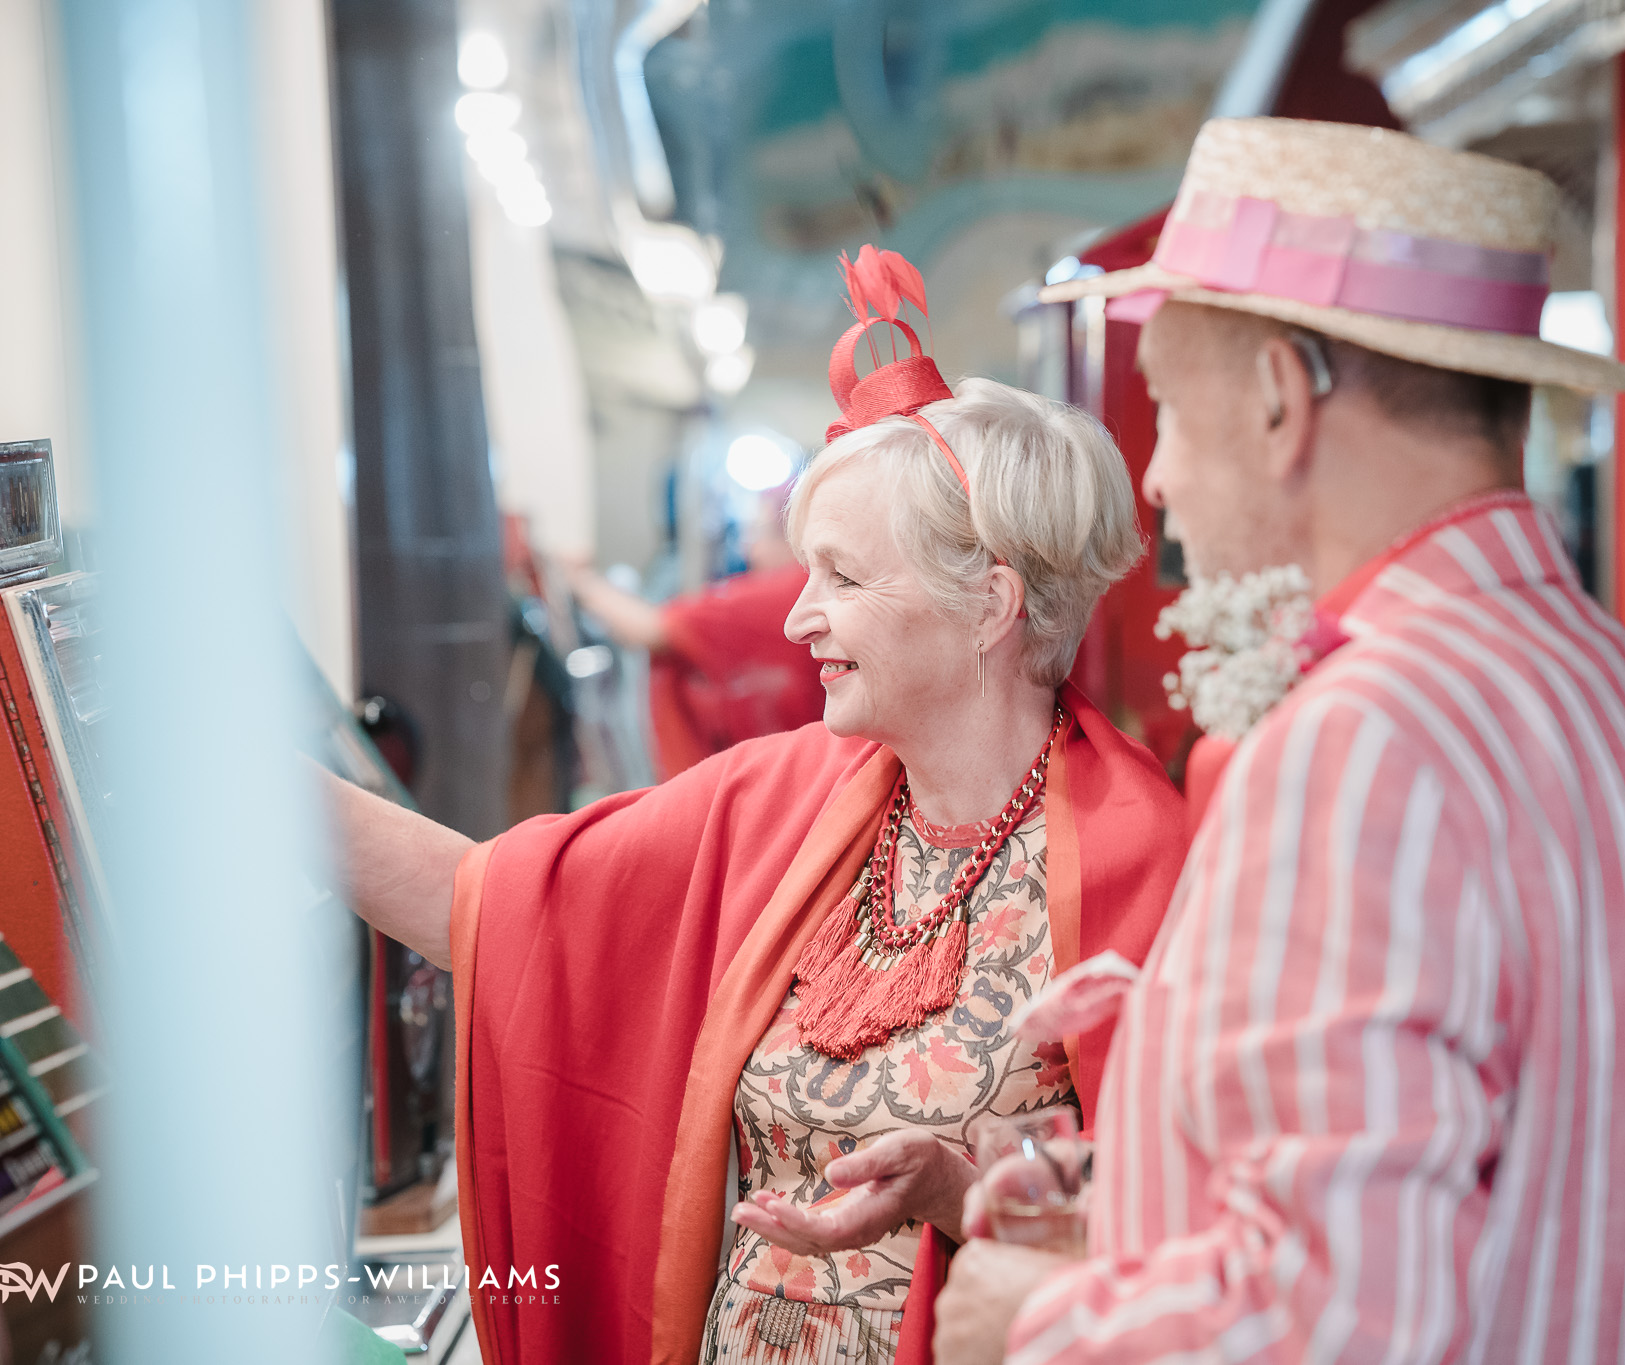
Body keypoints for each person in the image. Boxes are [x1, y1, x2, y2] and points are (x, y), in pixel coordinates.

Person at [936, 118, 1625, 1364]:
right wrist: (1138, 1222)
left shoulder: (1363, 741)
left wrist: (1035, 1320)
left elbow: (1334, 1322)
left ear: (1279, 399)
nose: (1156, 476)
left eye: (1165, 408)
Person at [320, 250, 1188, 1365]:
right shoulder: (779, 797)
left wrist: (958, 1196)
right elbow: (492, 908)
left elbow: (1183, 1245)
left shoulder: (1141, 861)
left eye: (842, 579)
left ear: (990, 605)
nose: (795, 623)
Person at [564, 492, 826, 779]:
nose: (749, 549)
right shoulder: (807, 590)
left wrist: (579, 579)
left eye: (758, 533)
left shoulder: (779, 592)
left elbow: (649, 628)